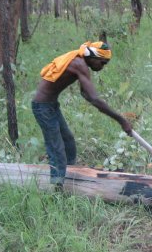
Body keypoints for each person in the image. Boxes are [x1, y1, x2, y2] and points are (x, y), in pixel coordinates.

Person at [32, 41, 132, 190]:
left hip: (51, 105)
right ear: (92, 56)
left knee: (69, 142)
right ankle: (57, 189)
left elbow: (85, 93)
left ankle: (70, 176)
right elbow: (94, 98)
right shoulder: (79, 64)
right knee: (56, 149)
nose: (102, 67)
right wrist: (121, 120)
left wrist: (92, 99)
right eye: (102, 63)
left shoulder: (79, 62)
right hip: (43, 108)